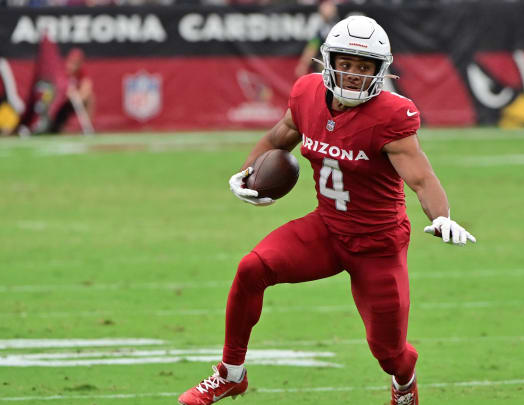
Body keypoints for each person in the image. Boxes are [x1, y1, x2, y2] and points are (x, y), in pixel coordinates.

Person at [178, 15, 475, 405]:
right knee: (251, 269)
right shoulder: (306, 94)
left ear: (379, 71)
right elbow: (278, 137)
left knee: (388, 353)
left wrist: (441, 216)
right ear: (329, 61)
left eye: (364, 67)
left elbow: (421, 178)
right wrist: (248, 173)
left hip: (378, 245)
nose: (353, 74)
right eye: (346, 63)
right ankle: (231, 374)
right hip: (327, 229)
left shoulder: (391, 115)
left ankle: (405, 379)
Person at [49, 47, 94, 133]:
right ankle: (53, 124)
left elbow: (87, 86)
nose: (74, 65)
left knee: (91, 98)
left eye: (77, 63)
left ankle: (87, 126)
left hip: (74, 101)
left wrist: (79, 96)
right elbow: (61, 88)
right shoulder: (62, 71)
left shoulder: (82, 72)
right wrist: (69, 93)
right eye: (73, 62)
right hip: (60, 103)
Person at [294, 0, 339, 78]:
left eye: (328, 9)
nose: (326, 11)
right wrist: (303, 65)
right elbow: (312, 46)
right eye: (323, 9)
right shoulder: (321, 28)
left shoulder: (338, 26)